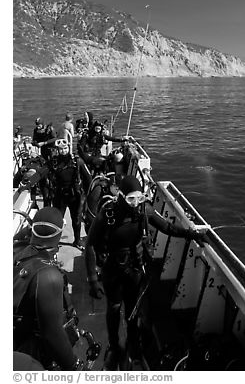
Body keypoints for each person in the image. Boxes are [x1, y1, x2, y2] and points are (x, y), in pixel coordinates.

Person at [85, 175, 208, 370]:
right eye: (130, 199)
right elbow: (90, 244)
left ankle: (134, 348)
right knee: (115, 308)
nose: (135, 203)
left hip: (135, 268)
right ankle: (115, 345)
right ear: (120, 195)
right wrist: (92, 279)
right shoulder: (107, 214)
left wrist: (191, 234)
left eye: (139, 198)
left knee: (133, 311)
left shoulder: (145, 210)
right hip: (113, 269)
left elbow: (167, 226)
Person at [13, 207, 83, 370]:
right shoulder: (48, 276)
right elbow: (52, 334)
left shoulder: (15, 250)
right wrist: (74, 367)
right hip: (34, 355)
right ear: (60, 233)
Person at [50, 139, 92, 249]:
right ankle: (55, 242)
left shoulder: (77, 161)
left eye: (65, 148)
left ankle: (77, 241)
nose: (63, 151)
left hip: (75, 196)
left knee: (77, 220)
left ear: (69, 148)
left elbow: (88, 179)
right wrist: (28, 183)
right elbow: (42, 172)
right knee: (57, 220)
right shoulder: (54, 161)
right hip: (60, 195)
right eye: (60, 149)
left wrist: (89, 196)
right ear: (57, 150)